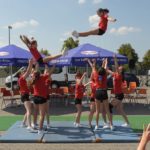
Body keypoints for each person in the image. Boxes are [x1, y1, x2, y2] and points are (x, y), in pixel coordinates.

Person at [107, 55, 130, 127]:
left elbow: (116, 66)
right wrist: (105, 63)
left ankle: (111, 123)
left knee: (109, 107)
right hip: (119, 95)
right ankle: (127, 123)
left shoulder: (119, 75)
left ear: (121, 71)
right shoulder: (115, 74)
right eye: (120, 67)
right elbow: (108, 70)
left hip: (119, 95)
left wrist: (115, 59)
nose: (119, 67)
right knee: (120, 109)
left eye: (120, 68)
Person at [92, 58, 114, 130]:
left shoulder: (96, 75)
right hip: (104, 92)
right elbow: (104, 69)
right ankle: (111, 125)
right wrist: (106, 61)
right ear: (104, 72)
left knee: (97, 111)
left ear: (98, 72)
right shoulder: (105, 75)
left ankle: (97, 125)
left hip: (98, 92)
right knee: (107, 110)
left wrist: (94, 62)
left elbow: (93, 68)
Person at [31, 63, 49, 134]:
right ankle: (40, 130)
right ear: (40, 74)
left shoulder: (33, 78)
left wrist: (36, 64)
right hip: (42, 98)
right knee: (42, 115)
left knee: (35, 111)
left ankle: (34, 125)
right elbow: (48, 72)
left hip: (35, 97)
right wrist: (50, 66)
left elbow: (35, 71)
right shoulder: (42, 77)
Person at [18, 58, 34, 131]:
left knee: (28, 110)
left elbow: (29, 72)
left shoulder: (24, 79)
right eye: (23, 72)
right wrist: (30, 63)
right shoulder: (21, 78)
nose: (25, 73)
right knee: (29, 111)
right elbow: (28, 71)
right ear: (21, 73)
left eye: (24, 72)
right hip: (24, 95)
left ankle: (23, 123)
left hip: (25, 95)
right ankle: (29, 126)